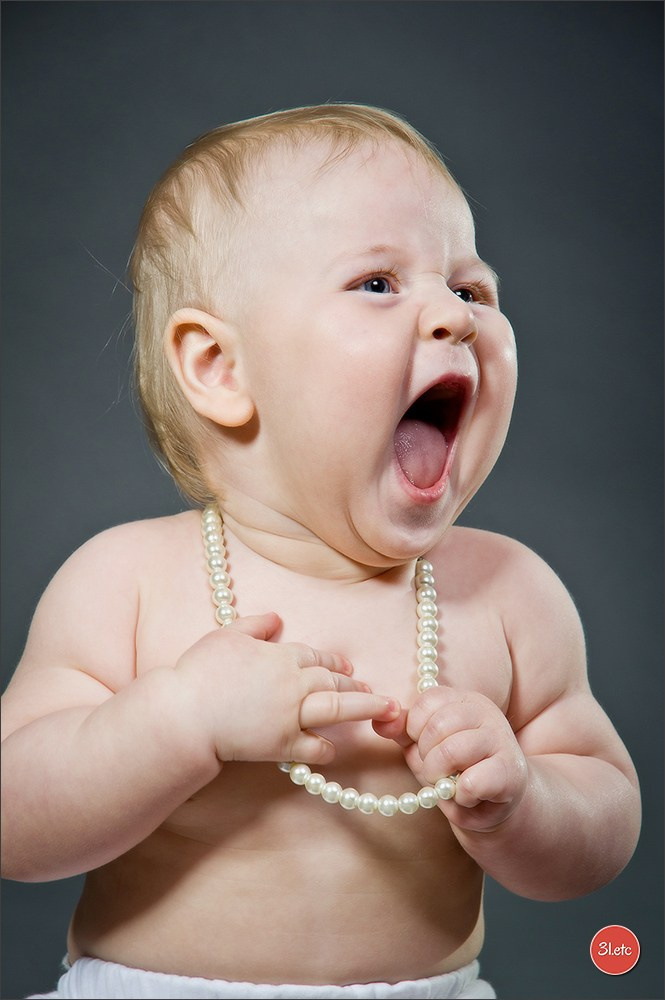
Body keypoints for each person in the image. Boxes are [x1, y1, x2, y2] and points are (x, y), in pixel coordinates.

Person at [1, 104, 641, 1000]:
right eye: (379, 283)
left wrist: (525, 798)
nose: (451, 316)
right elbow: (13, 827)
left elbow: (603, 829)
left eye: (471, 289)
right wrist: (178, 721)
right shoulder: (126, 582)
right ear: (220, 369)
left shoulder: (507, 593)